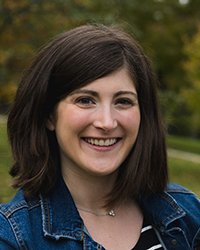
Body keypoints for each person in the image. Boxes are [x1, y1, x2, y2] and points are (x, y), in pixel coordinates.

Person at [0, 24, 199, 250]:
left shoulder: (188, 215)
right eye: (85, 100)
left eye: (123, 101)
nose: (106, 122)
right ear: (49, 115)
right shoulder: (13, 237)